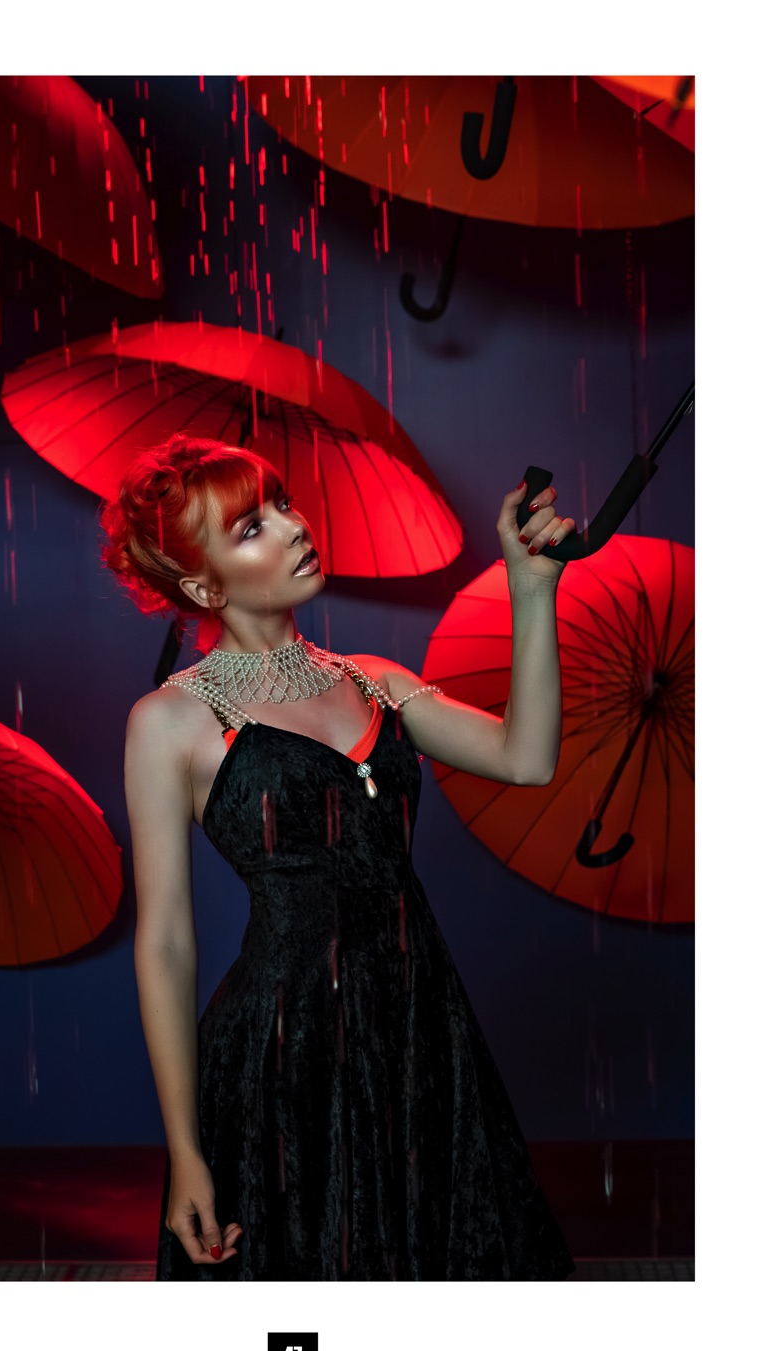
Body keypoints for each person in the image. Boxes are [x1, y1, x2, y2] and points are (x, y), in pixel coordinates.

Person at [101, 431, 577, 1280]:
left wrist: (531, 589)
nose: (294, 527)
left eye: (282, 503)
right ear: (204, 586)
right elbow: (165, 942)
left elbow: (527, 758)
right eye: (252, 527)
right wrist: (185, 1149)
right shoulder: (168, 722)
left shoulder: (374, 680)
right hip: (284, 1052)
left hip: (419, 1025)